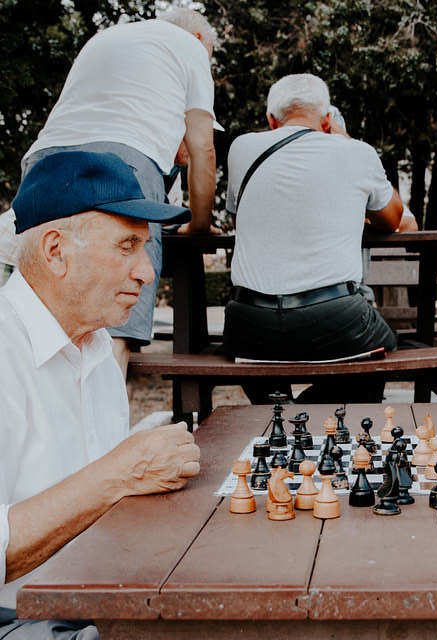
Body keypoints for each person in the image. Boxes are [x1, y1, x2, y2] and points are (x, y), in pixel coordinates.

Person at [0, 151, 201, 638]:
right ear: (55, 251)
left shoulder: (94, 348)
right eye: (127, 245)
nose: (147, 273)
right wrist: (121, 473)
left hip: (94, 604)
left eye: (145, 247)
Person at [20, 7, 221, 377]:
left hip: (42, 161)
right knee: (116, 313)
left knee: (42, 318)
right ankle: (107, 432)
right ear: (199, 41)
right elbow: (202, 149)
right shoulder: (189, 47)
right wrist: (199, 224)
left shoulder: (110, 37)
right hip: (122, 162)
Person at [223, 73, 403, 404]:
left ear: (271, 120)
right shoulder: (355, 152)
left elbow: (239, 217)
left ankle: (276, 406)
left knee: (247, 343)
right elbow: (392, 218)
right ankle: (304, 412)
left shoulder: (241, 148)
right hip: (334, 316)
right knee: (384, 348)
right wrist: (345, 138)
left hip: (249, 323)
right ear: (327, 119)